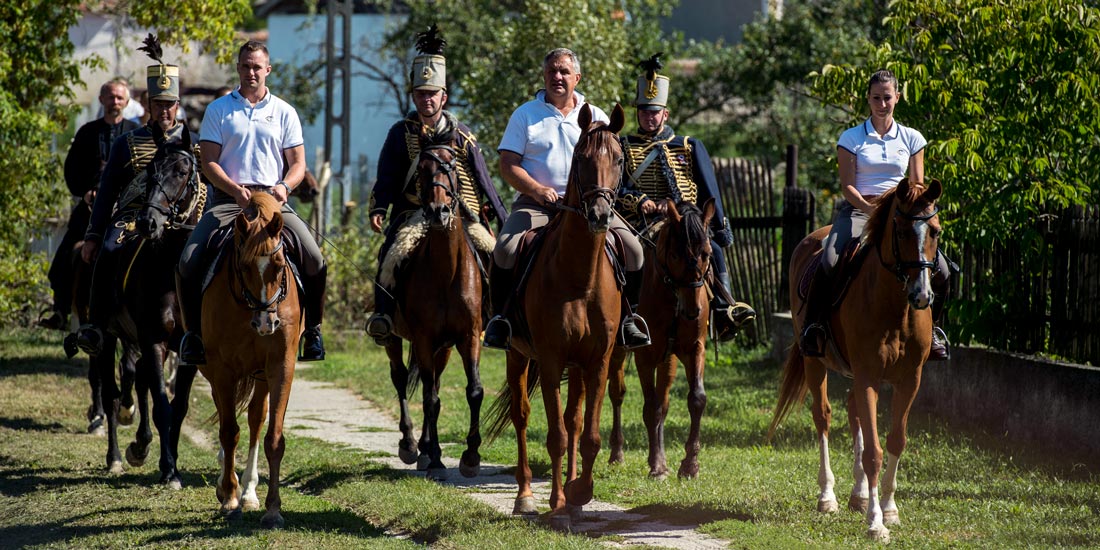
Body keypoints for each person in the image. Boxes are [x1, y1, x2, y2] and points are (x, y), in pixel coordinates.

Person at [483, 48, 649, 350]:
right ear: (544, 76)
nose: (557, 77)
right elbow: (507, 165)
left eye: (563, 72)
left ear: (577, 77)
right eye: (552, 71)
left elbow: (611, 162)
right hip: (537, 206)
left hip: (590, 207)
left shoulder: (596, 116)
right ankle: (501, 320)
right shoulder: (525, 115)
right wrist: (537, 190)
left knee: (635, 251)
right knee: (505, 250)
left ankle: (628, 320)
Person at [176, 40, 328, 364]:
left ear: (268, 70)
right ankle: (192, 336)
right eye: (245, 66)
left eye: (257, 67)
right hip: (228, 201)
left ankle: (313, 331)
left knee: (315, 258)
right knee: (188, 259)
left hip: (272, 201)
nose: (251, 72)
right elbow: (208, 162)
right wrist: (232, 188)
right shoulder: (219, 109)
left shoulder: (284, 111)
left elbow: (298, 163)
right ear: (238, 68)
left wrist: (286, 186)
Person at [364, 26, 508, 343]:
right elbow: (387, 174)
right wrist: (380, 207)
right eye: (421, 94)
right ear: (413, 96)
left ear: (444, 96)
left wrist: (498, 214)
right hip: (413, 212)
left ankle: (499, 317)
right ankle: (384, 316)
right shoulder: (400, 132)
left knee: (495, 256)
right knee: (390, 256)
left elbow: (483, 177)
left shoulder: (463, 134)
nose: (426, 100)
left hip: (460, 214)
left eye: (432, 94)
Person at [799, 68, 951, 361]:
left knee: (942, 269)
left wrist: (898, 211)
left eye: (887, 98)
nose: (882, 104)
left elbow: (917, 184)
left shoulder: (912, 138)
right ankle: (814, 327)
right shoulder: (851, 137)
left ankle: (932, 331)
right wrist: (873, 211)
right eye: (876, 98)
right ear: (868, 99)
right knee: (829, 260)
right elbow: (847, 186)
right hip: (859, 210)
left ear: (898, 98)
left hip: (903, 214)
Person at [616, 54, 756, 343]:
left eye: (654, 112)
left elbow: (709, 189)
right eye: (644, 112)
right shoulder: (624, 145)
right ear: (637, 114)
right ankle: (628, 315)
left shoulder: (689, 145)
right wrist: (640, 200)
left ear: (665, 114)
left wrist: (717, 228)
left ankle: (724, 309)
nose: (649, 117)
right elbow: (617, 188)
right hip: (644, 220)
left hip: (687, 218)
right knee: (628, 255)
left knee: (712, 251)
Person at [74, 47, 199, 353]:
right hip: (132, 218)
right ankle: (96, 325)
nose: (164, 111)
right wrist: (93, 235)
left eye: (169, 105)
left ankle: (202, 327)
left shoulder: (195, 145)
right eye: (158, 104)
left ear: (178, 105)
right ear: (147, 104)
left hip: (181, 221)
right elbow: (106, 195)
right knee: (107, 249)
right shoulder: (126, 143)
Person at [39, 79, 141, 330]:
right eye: (110, 97)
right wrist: (84, 193)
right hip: (89, 209)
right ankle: (61, 312)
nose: (115, 102)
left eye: (119, 98)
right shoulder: (87, 132)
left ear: (127, 102)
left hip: (125, 212)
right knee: (63, 258)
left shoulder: (135, 135)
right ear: (101, 100)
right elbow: (71, 170)